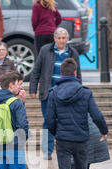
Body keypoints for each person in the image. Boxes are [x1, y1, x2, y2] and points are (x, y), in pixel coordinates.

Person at [45, 58, 108, 169]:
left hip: (63, 141)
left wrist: (57, 133)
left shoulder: (53, 93)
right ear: (75, 73)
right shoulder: (85, 92)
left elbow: (49, 120)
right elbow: (97, 115)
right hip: (81, 140)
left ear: (61, 73)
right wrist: (104, 130)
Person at [29, 27, 81, 160]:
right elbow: (37, 70)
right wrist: (32, 89)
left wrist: (79, 91)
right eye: (59, 38)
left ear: (67, 39)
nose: (61, 41)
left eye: (64, 38)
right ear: (54, 38)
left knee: (67, 122)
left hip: (67, 94)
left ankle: (66, 151)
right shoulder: (45, 50)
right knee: (48, 122)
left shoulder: (73, 52)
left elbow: (78, 74)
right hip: (49, 93)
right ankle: (47, 151)